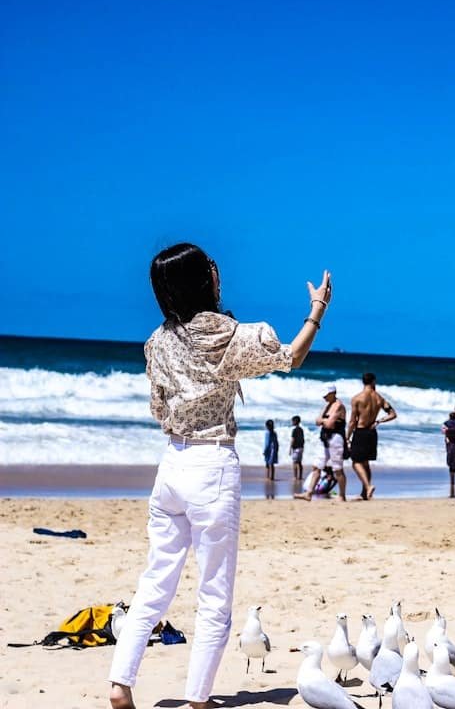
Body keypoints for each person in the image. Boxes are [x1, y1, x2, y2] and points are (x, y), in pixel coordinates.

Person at [108, 243, 330, 709]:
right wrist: (317, 310)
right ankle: (198, 700)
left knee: (155, 580)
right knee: (214, 592)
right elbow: (291, 357)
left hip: (171, 464)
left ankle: (120, 683)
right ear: (201, 279)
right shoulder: (228, 336)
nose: (217, 270)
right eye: (210, 266)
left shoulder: (157, 342)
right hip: (212, 465)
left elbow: (159, 408)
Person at [347, 372, 398, 500]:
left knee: (355, 462)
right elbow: (393, 414)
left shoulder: (357, 398)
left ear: (363, 382)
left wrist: (347, 436)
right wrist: (379, 421)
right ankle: (365, 494)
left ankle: (368, 486)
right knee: (365, 463)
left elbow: (353, 421)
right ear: (373, 381)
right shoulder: (379, 398)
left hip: (360, 432)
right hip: (372, 432)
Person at [294, 384, 348, 501]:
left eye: (326, 395)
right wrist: (325, 420)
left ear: (333, 393)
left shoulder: (339, 406)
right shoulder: (327, 406)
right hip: (325, 438)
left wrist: (323, 421)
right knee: (317, 466)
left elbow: (329, 424)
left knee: (337, 469)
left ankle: (342, 495)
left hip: (336, 438)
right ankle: (309, 493)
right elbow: (317, 421)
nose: (324, 397)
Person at [289, 414, 305, 481]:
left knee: (294, 463)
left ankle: (295, 477)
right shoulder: (301, 429)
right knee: (300, 462)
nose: (292, 422)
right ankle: (300, 476)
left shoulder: (294, 430)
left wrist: (290, 449)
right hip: (301, 448)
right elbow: (303, 439)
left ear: (295, 421)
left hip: (295, 448)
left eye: (292, 421)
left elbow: (293, 440)